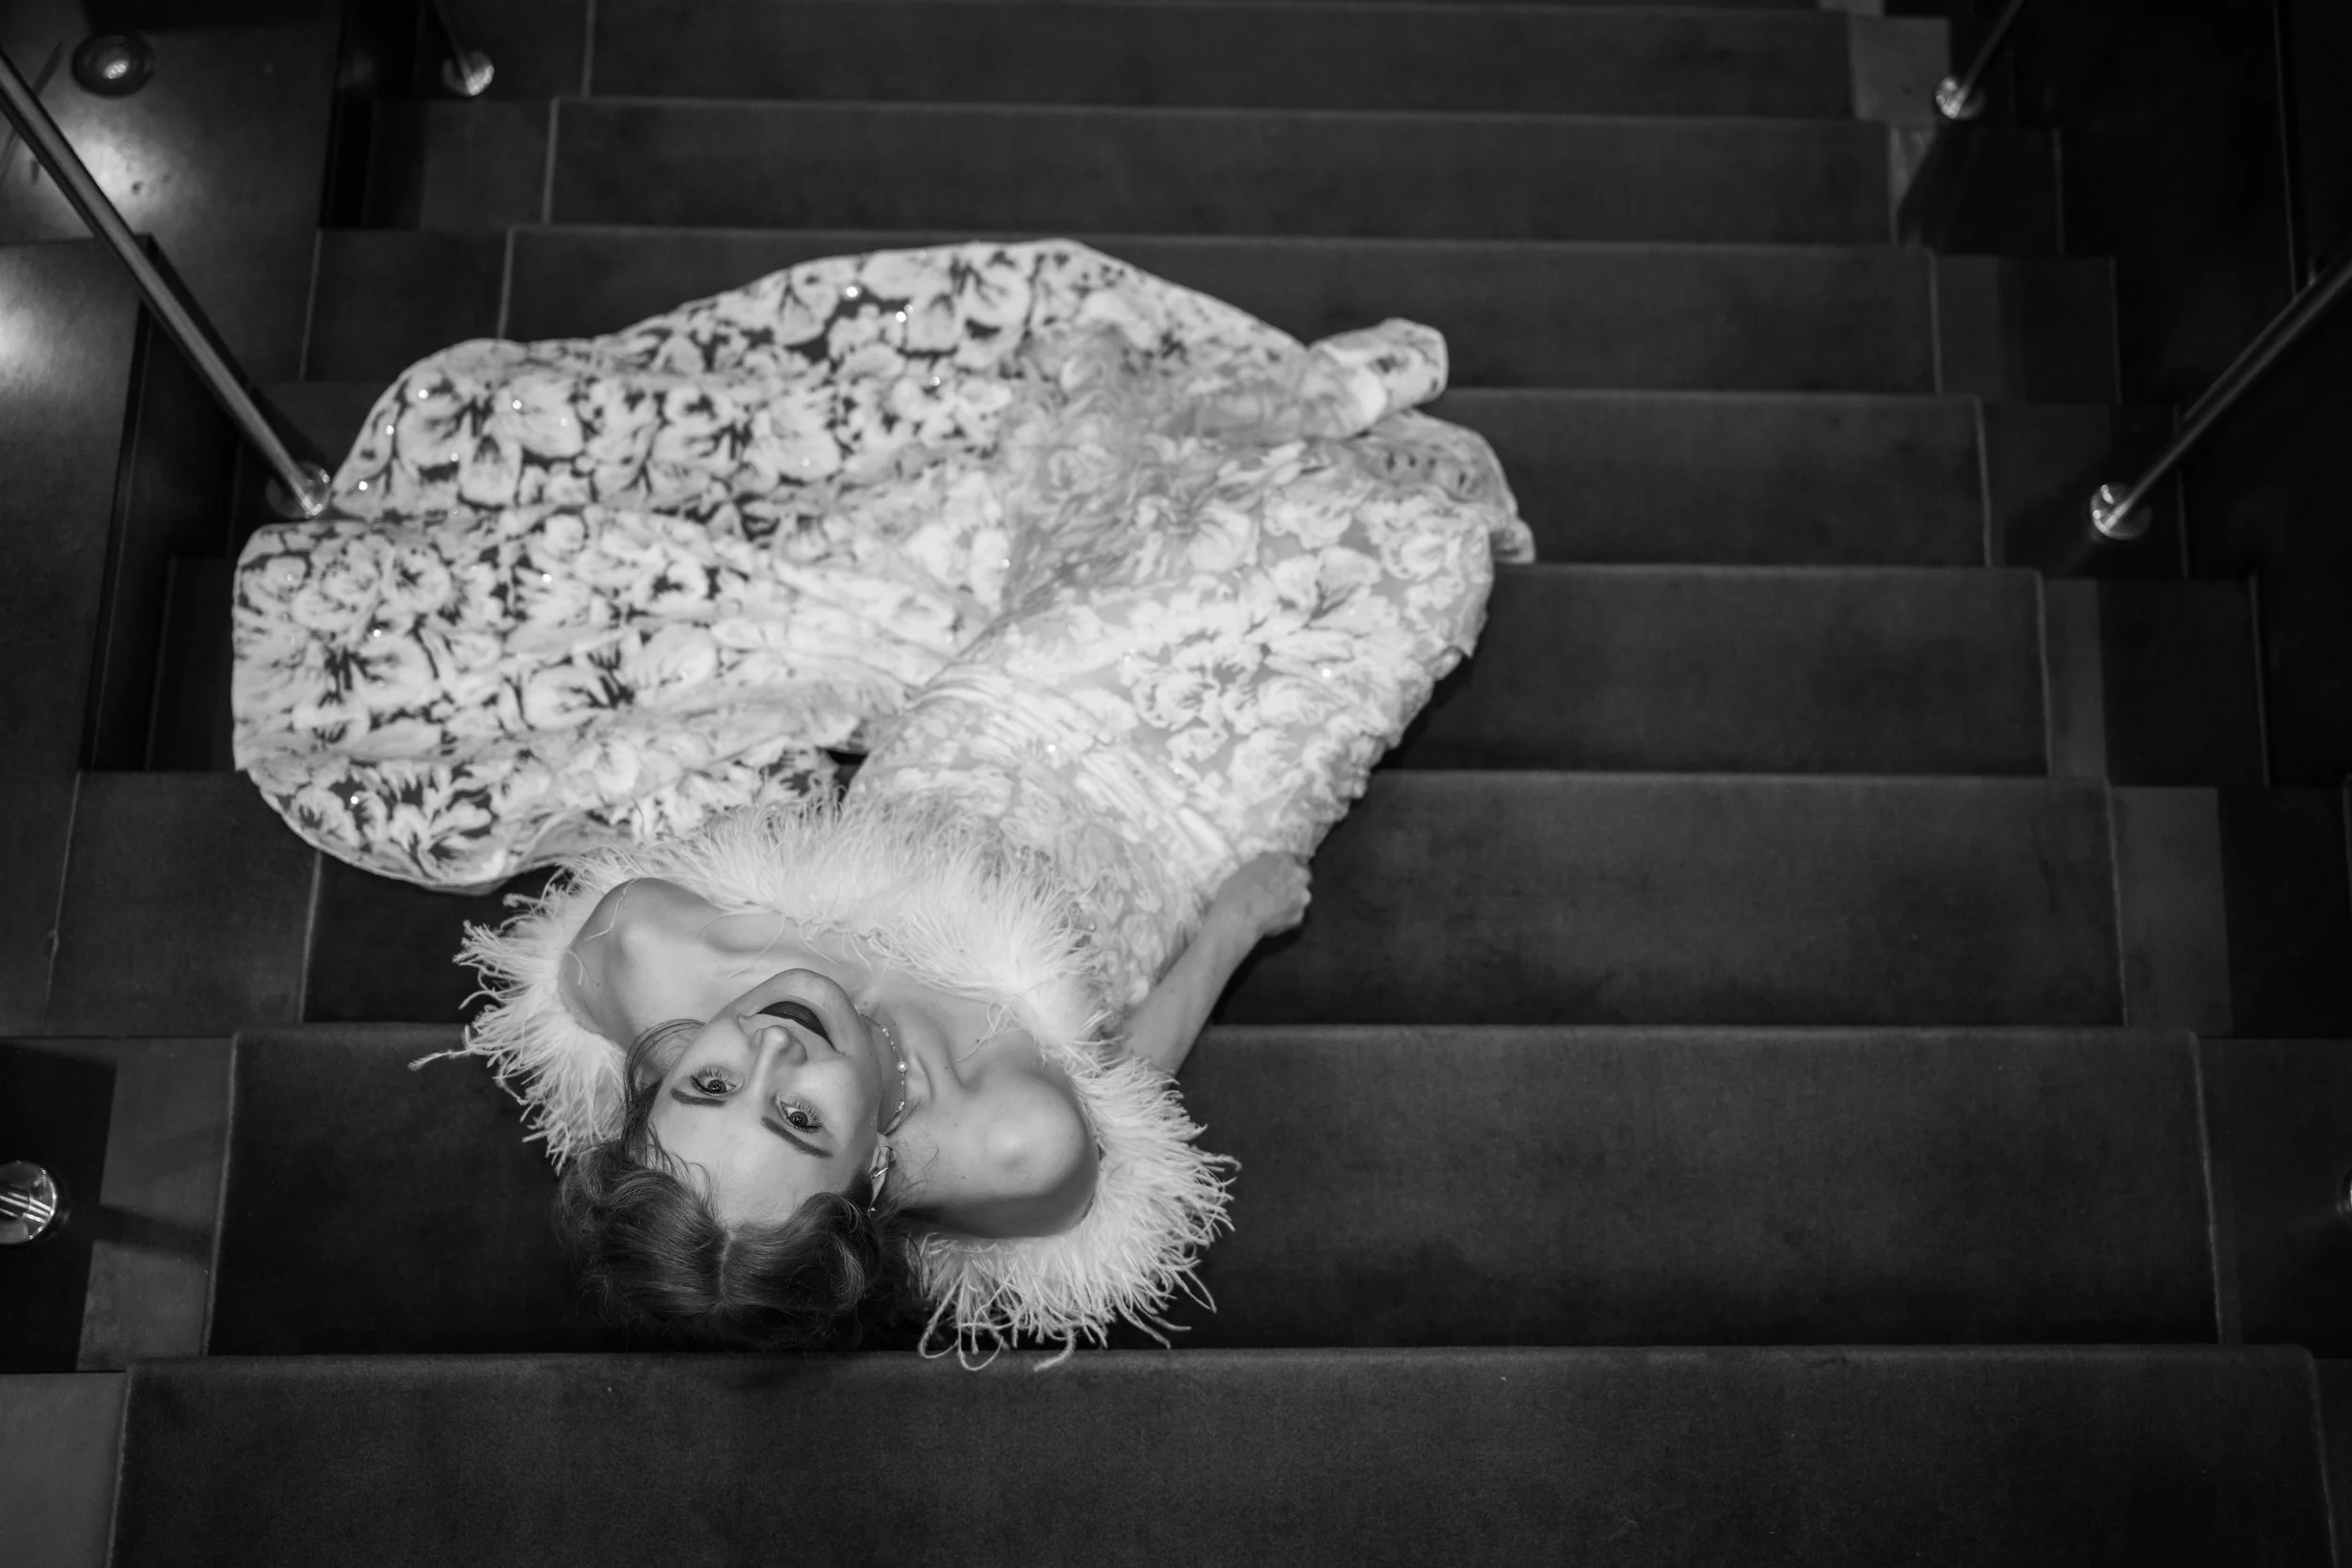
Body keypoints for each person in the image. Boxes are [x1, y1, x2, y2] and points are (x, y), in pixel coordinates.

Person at [231, 239, 1532, 1353]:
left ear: (658, 1072)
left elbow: (706, 929)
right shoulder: (1012, 1149)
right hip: (1170, 831)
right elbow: (1123, 1083)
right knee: (1425, 563)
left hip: (989, 729)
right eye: (799, 1118)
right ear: (871, 1175)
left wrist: (811, 863)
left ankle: (1242, 444)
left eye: (706, 1086)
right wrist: (1234, 922)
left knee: (1221, 530)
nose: (773, 1049)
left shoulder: (640, 949)